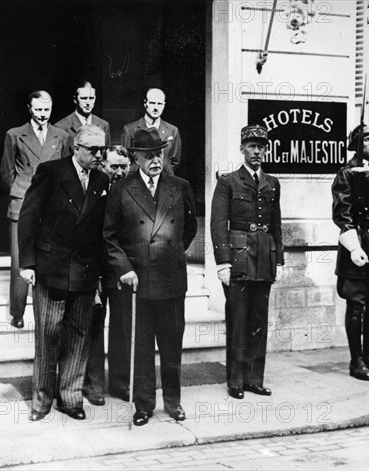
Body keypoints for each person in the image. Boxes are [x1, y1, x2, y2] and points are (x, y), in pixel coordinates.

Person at [104, 128, 197, 426]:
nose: (155, 159)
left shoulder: (179, 186)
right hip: (137, 282)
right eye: (148, 155)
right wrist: (125, 268)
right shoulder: (122, 188)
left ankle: (174, 402)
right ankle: (143, 404)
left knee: (171, 345)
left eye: (159, 153)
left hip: (171, 281)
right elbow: (109, 236)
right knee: (141, 347)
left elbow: (189, 229)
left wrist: (170, 256)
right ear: (136, 158)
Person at [18, 125, 109, 422]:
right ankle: (42, 400)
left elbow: (102, 230)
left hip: (85, 271)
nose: (99, 155)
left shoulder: (102, 179)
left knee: (79, 336)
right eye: (93, 150)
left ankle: (70, 397)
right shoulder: (51, 172)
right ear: (76, 148)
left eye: (102, 150)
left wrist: (99, 275)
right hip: (51, 267)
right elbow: (29, 217)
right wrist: (27, 263)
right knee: (48, 335)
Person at [210, 124, 284, 400]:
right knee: (238, 322)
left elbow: (276, 223)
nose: (257, 151)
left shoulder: (273, 183)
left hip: (264, 259)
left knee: (258, 322)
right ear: (242, 148)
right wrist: (223, 263)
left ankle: (255, 378)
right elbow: (218, 225)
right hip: (239, 261)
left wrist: (278, 260)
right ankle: (236, 381)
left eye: (261, 146)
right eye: (252, 146)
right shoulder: (228, 182)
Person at [0, 91, 70, 329]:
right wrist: (23, 191)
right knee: (21, 259)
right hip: (22, 204)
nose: (42, 115)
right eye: (38, 110)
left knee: (49, 256)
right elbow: (7, 171)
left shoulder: (61, 136)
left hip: (52, 205)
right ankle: (17, 312)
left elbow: (66, 169)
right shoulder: (15, 135)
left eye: (46, 110)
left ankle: (49, 309)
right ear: (29, 109)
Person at [332, 123, 369, 381]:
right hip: (356, 246)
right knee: (356, 304)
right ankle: (356, 360)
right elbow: (341, 214)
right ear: (357, 143)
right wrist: (354, 246)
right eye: (367, 139)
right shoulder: (347, 173)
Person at [82, 145, 132, 406]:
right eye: (114, 167)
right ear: (103, 166)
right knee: (94, 328)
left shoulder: (133, 192)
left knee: (122, 327)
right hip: (94, 270)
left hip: (122, 270)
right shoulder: (92, 192)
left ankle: (120, 382)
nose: (120, 172)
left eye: (124, 167)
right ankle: (94, 385)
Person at [120, 88, 182, 175]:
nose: (156, 108)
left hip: (165, 180)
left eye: (159, 104)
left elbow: (175, 161)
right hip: (137, 180)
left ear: (164, 105)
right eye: (152, 103)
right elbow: (125, 158)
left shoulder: (173, 130)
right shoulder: (130, 129)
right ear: (145, 103)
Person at [54, 81, 111, 153]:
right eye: (84, 98)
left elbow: (106, 157)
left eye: (91, 98)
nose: (88, 102)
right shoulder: (61, 127)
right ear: (75, 99)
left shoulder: (104, 125)